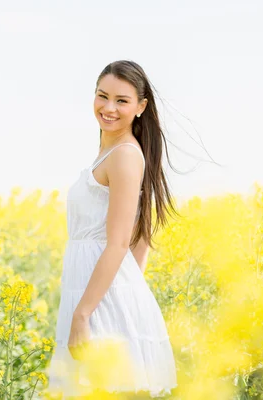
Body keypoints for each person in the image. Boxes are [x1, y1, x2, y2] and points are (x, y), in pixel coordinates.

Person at [45, 60, 180, 399]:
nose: (109, 108)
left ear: (141, 107)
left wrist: (84, 312)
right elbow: (142, 235)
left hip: (98, 301)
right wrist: (127, 291)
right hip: (101, 291)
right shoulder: (112, 152)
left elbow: (119, 242)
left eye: (122, 100)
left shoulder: (123, 155)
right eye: (102, 96)